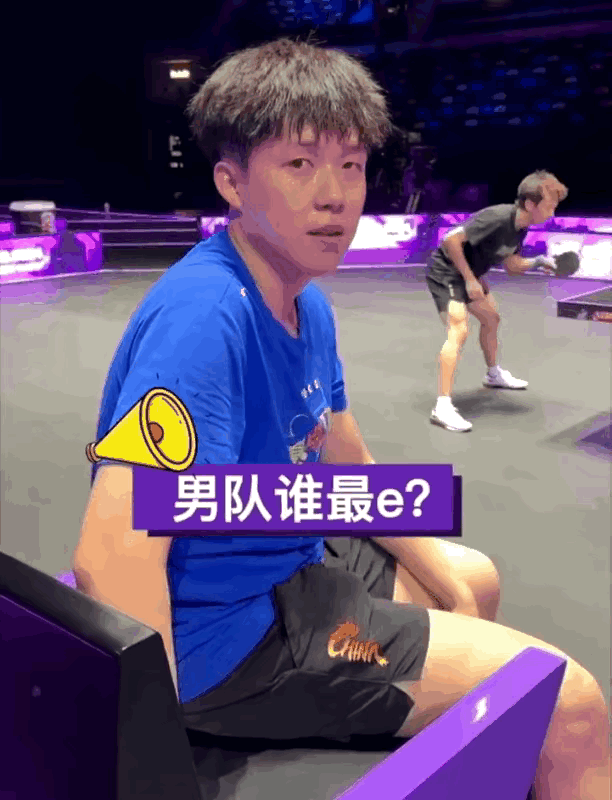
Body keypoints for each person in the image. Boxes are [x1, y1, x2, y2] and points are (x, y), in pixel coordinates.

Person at [73, 38, 609, 800]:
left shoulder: (309, 304)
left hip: (289, 559)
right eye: (300, 164)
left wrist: (452, 591)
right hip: (232, 636)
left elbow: (347, 467)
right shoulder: (204, 319)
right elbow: (112, 559)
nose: (336, 196)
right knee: (570, 702)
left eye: (351, 165)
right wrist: (155, 769)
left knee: (472, 579)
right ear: (231, 181)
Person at [426, 172, 568, 432]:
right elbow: (450, 240)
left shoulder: (520, 228)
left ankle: (493, 375)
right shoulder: (497, 217)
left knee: (491, 318)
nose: (553, 212)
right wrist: (470, 279)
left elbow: (512, 265)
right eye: (550, 206)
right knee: (459, 329)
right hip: (446, 272)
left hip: (469, 273)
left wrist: (538, 262)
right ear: (530, 204)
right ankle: (442, 407)